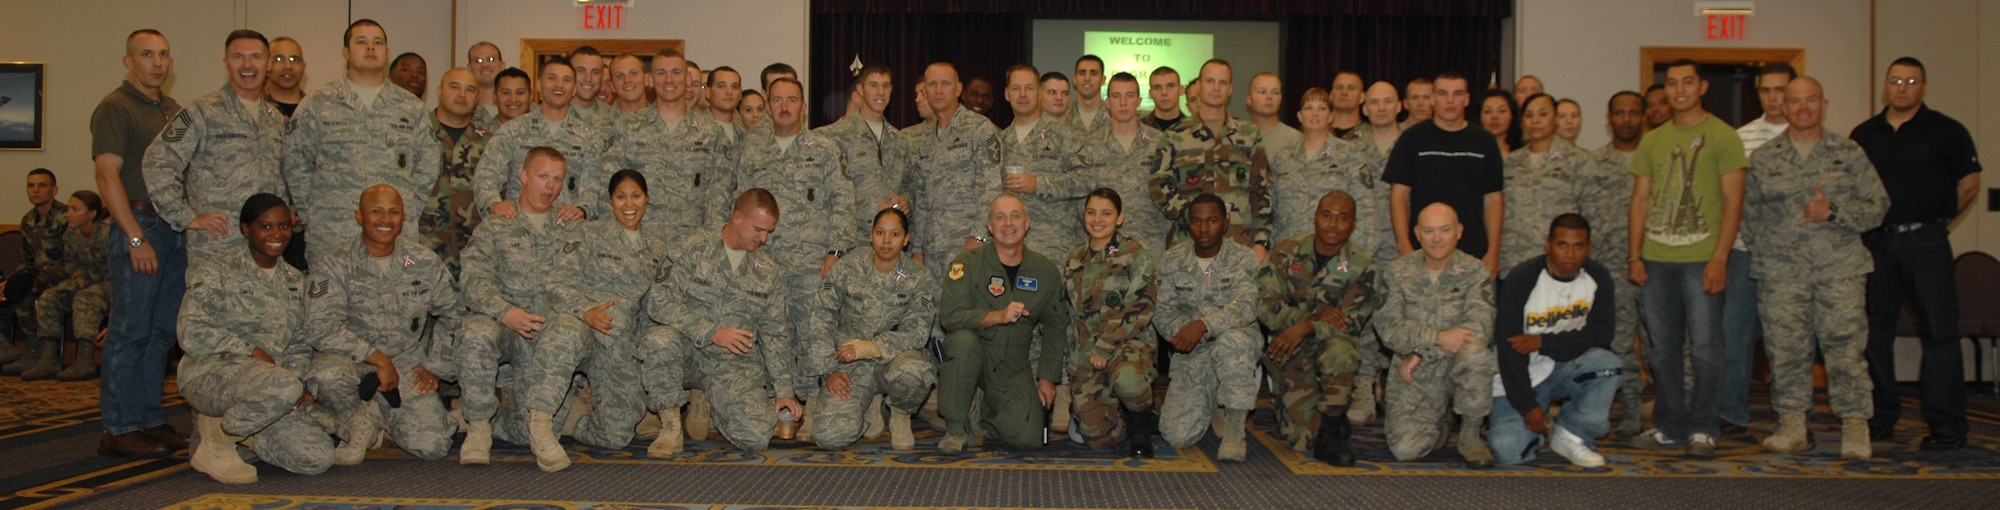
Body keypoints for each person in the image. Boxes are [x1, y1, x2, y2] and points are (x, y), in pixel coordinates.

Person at [1745, 76, 1887, 459]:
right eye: (1795, 101)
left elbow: (1878, 206)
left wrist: (1834, 211)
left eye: (1811, 100)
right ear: (1783, 107)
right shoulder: (1764, 159)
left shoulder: (1848, 152)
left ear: (1824, 105)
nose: (1802, 107)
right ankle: (1792, 424)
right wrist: (1774, 253)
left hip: (1838, 270)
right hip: (1781, 274)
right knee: (1785, 350)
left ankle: (1855, 426)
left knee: (1845, 349)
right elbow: (1749, 216)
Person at [180, 193, 360, 484]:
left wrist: (297, 381)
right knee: (282, 385)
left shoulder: (294, 281)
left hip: (273, 387)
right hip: (209, 374)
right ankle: (218, 443)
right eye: (265, 227)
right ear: (245, 228)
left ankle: (243, 432)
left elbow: (300, 343)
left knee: (317, 458)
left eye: (284, 226)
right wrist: (251, 351)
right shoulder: (217, 273)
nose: (276, 235)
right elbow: (190, 332)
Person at [1852, 57, 1980, 451]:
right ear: (1885, 86)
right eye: (1895, 81)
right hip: (1876, 244)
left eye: (1910, 81)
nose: (1902, 87)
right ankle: (1879, 418)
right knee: (1874, 334)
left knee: (1939, 333)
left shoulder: (1947, 130)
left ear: (1923, 86)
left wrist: (1934, 221)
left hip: (1926, 243)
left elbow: (1970, 183)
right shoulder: (1865, 133)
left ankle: (1946, 427)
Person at [1625, 59, 1747, 458]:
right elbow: (1640, 200)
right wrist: (1634, 256)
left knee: (1706, 348)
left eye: (1687, 82)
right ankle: (1670, 425)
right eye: (1672, 83)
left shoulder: (1723, 136)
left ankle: (1703, 428)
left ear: (1703, 87)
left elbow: (1733, 203)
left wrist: (1720, 259)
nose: (1679, 89)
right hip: (1655, 260)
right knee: (1662, 350)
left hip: (1701, 260)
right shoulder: (1653, 140)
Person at [519, 170, 672, 467]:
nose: (629, 204)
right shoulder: (587, 234)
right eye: (621, 197)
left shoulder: (657, 248)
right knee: (563, 334)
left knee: (616, 435)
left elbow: (657, 303)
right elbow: (556, 283)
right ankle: (540, 426)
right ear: (611, 201)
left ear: (647, 199)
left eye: (636, 196)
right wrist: (586, 311)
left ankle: (576, 420)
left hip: (619, 343)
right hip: (582, 327)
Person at [304, 185, 456, 465]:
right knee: (327, 375)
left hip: (405, 360)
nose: (385, 220)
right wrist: (376, 358)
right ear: (359, 216)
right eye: (376, 212)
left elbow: (454, 314)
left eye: (393, 212)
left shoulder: (421, 262)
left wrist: (437, 366)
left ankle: (379, 414)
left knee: (432, 445)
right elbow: (319, 326)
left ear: (403, 217)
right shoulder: (333, 263)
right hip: (351, 361)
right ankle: (356, 420)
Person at [93, 28, 189, 457]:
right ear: (128, 61)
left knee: (160, 333)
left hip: (173, 229)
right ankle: (119, 426)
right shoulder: (115, 108)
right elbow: (106, 175)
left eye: (163, 54)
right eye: (147, 54)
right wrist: (134, 237)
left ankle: (150, 418)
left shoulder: (173, 110)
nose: (157, 62)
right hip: (140, 224)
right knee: (129, 333)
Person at [648, 189, 803, 453]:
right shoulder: (691, 248)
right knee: (659, 341)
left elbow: (775, 333)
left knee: (756, 436)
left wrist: (784, 391)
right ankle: (670, 427)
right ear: (737, 217)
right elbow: (658, 301)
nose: (764, 239)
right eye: (758, 229)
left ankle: (708, 400)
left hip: (732, 362)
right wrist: (710, 332)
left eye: (769, 232)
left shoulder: (767, 272)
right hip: (687, 352)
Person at [456, 147, 580, 467]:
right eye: (542, 177)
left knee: (530, 434)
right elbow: (473, 281)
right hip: (508, 328)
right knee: (476, 332)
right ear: (523, 177)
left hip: (546, 339)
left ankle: (504, 411)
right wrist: (504, 312)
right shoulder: (497, 226)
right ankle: (479, 427)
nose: (549, 187)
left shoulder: (572, 230)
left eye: (557, 179)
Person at [281, 19, 440, 266]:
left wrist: (405, 210)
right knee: (330, 303)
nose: (370, 48)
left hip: (394, 237)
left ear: (387, 54)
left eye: (377, 43)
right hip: (333, 232)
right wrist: (314, 212)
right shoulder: (318, 103)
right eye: (361, 42)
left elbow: (428, 165)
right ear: (345, 52)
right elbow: (295, 161)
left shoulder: (411, 106)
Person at [935, 193, 1072, 454]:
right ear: (989, 226)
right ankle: (955, 427)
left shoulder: (1044, 271)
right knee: (962, 342)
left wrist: (1047, 377)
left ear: (1028, 223)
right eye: (1000, 217)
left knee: (1029, 438)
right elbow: (949, 316)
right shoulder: (966, 264)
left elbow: (1055, 326)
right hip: (972, 354)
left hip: (1011, 365)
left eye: (1015, 216)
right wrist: (995, 316)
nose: (1008, 224)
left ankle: (986, 409)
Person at [143, 29, 288, 268]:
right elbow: (158, 160)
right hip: (218, 243)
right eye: (238, 57)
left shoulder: (275, 119)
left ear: (269, 63)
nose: (247, 65)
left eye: (256, 57)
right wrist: (185, 216)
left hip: (265, 246)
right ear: (226, 63)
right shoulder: (201, 112)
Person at [1257, 191, 1380, 466]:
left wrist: (1308, 328)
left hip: (1329, 344)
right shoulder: (1287, 251)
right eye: (1326, 216)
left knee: (1342, 352)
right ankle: (1328, 417)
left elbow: (1351, 323)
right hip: (1290, 346)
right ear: (1315, 217)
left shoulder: (1363, 266)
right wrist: (1311, 317)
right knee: (1300, 443)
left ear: (1354, 223)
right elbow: (1265, 306)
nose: (1333, 224)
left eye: (1342, 218)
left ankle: (1330, 433)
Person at [1489, 213, 1621, 467]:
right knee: (1508, 450)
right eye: (1562, 245)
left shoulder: (1598, 277)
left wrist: (1543, 342)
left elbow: (1601, 336)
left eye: (1578, 246)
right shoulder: (1523, 278)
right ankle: (1535, 429)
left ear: (1588, 248)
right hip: (1522, 375)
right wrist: (1528, 405)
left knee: (1608, 365)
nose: (1570, 255)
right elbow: (1508, 350)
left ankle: (1573, 434)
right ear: (1548, 245)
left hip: (1566, 366)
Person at [806, 208, 939, 451]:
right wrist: (828, 372)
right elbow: (821, 318)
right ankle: (867, 405)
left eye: (895, 234)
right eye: (880, 233)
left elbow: (918, 332)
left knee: (915, 372)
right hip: (849, 366)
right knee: (829, 437)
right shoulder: (848, 267)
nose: (886, 241)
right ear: (870, 235)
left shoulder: (918, 277)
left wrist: (871, 348)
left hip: (893, 360)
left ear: (906, 239)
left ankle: (899, 415)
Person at [1376, 203, 1496, 468]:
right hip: (1415, 373)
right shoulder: (1397, 272)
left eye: (1445, 230)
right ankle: (1440, 423)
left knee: (1477, 356)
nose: (1437, 238)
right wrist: (1437, 337)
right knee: (1406, 451)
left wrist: (1421, 349)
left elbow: (1480, 329)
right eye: (1429, 231)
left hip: (1455, 365)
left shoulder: (1476, 271)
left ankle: (1471, 434)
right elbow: (1388, 328)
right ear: (1417, 233)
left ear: (1459, 231)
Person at [1153, 194, 1262, 461]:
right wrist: (1187, 332)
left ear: (1225, 223)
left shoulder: (1244, 258)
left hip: (1235, 342)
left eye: (1212, 221)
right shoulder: (1171, 260)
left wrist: (1203, 325)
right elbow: (1161, 311)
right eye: (1197, 222)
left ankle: (1235, 429)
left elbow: (1246, 307)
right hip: (1193, 350)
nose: (1204, 229)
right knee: (1177, 435)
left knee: (1233, 342)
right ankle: (1214, 400)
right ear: (1187, 225)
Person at [604, 49, 740, 242]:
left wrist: (708, 243)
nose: (669, 80)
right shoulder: (626, 127)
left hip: (692, 246)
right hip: (639, 244)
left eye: (676, 73)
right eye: (661, 73)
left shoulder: (711, 132)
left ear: (686, 78)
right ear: (650, 79)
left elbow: (719, 197)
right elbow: (609, 188)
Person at [1063, 189, 1160, 456]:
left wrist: (1106, 344)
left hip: (1129, 344)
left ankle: (1141, 423)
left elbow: (1140, 307)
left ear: (1120, 218)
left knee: (1129, 381)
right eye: (1091, 212)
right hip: (1088, 352)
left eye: (1106, 213)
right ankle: (1124, 416)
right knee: (1097, 439)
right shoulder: (1074, 258)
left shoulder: (1136, 253)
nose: (1097, 219)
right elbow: (1073, 315)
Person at [1148, 59, 1274, 263]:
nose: (1216, 88)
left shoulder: (1248, 134)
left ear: (1230, 89)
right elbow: (1158, 185)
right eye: (1210, 81)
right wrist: (1191, 214)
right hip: (1189, 244)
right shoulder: (1176, 135)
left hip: (1240, 243)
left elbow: (1262, 189)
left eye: (1222, 83)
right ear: (1198, 86)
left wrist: (1261, 241)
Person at [1384, 72, 1505, 277]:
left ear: (1466, 99)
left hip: (1473, 253)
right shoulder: (1412, 138)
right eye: (1442, 93)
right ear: (1432, 98)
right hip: (1422, 252)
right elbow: (1399, 195)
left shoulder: (1484, 142)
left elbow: (1493, 199)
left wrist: (1493, 251)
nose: (1450, 101)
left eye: (1457, 94)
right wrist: (1404, 247)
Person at [1579, 91, 1649, 437]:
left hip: (1657, 264)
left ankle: (1671, 411)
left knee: (1664, 346)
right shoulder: (1594, 163)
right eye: (1619, 113)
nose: (1626, 119)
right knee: (1620, 343)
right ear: (1609, 119)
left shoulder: (1660, 159)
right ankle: (1632, 410)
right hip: (1611, 268)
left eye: (1633, 113)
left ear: (1643, 116)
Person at [475, 57, 607, 224]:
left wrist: (582, 209)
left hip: (566, 233)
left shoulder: (588, 136)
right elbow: (486, 174)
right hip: (517, 229)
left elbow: (594, 186)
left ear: (574, 89)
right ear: (538, 85)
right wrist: (493, 204)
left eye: (566, 80)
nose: (559, 85)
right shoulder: (514, 130)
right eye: (552, 78)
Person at [903, 61, 1002, 277]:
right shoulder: (926, 139)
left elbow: (991, 188)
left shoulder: (979, 128)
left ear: (958, 89)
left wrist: (979, 237)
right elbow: (922, 199)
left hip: (968, 245)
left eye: (945, 84)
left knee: (967, 309)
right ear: (925, 91)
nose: (938, 91)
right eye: (932, 84)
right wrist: (918, 248)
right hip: (932, 250)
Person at [1273, 88, 1384, 256]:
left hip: (1335, 256)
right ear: (1300, 116)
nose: (1315, 113)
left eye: (1322, 108)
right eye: (1309, 108)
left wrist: (1354, 260)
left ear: (1331, 117)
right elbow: (1274, 212)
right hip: (1290, 255)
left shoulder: (1351, 155)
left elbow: (1366, 213)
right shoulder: (1283, 158)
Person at [998, 64, 1089, 258]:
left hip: (1053, 247)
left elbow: (1087, 179)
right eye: (1016, 89)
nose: (1022, 94)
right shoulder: (999, 140)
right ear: (1007, 94)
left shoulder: (1067, 135)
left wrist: (1038, 184)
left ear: (1039, 93)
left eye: (1029, 88)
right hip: (1009, 246)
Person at [22, 191, 111, 381]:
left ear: (92, 213)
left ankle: (85, 359)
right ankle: (49, 358)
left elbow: (119, 270)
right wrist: (78, 276)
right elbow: (71, 263)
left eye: (75, 209)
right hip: (86, 281)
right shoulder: (71, 234)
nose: (69, 214)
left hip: (112, 285)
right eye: (69, 208)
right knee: (49, 297)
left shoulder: (107, 233)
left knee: (85, 298)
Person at [1498, 93, 1588, 278]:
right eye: (1529, 115)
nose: (1535, 121)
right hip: (1513, 262)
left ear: (1555, 118)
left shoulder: (1578, 161)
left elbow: (1591, 215)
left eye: (1542, 114)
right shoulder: (1511, 162)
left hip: (1559, 264)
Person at [1077, 73, 1170, 248]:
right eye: (1116, 96)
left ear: (1139, 101)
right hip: (1105, 244)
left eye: (1130, 96)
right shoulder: (1091, 145)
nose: (1123, 103)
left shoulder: (1159, 142)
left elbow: (1169, 193)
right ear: (1108, 102)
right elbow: (1081, 196)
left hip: (1150, 242)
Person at [821, 64, 911, 240]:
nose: (880, 92)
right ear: (860, 89)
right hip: (853, 241)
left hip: (891, 243)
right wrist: (873, 208)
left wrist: (907, 200)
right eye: (873, 85)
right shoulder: (836, 136)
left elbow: (910, 184)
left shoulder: (900, 140)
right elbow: (830, 191)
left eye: (886, 86)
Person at [417, 68, 492, 280]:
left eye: (470, 90)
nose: (462, 95)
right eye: (455, 87)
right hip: (422, 248)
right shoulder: (416, 133)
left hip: (472, 254)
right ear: (439, 91)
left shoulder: (489, 143)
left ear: (477, 98)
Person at [1, 169, 67, 371]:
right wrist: (9, 281)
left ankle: (42, 353)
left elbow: (72, 259)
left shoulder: (66, 217)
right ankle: (21, 350)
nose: (35, 190)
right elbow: (26, 260)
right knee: (14, 287)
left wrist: (23, 280)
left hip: (62, 273)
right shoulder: (28, 220)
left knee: (25, 288)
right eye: (31, 186)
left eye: (42, 185)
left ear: (54, 190)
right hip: (34, 276)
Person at [1246, 72, 1302, 153]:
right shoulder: (1237, 137)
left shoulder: (1295, 140)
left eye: (1275, 92)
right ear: (1249, 100)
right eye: (1262, 92)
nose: (1269, 97)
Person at [1357, 81, 1404, 161]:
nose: (1381, 108)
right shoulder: (1352, 146)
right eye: (1374, 102)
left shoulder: (1413, 142)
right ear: (1365, 110)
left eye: (1388, 101)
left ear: (1398, 107)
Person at [567, 47, 612, 127]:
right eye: (581, 71)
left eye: (595, 72)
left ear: (601, 76)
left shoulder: (613, 117)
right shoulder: (553, 113)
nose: (588, 79)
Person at [467, 41, 505, 126]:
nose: (485, 65)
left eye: (491, 59)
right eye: (478, 61)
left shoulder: (523, 108)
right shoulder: (462, 109)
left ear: (502, 65)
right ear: (469, 68)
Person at [265, 37, 306, 117]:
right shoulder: (255, 109)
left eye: (294, 59)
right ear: (266, 66)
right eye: (279, 59)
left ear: (303, 67)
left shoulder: (317, 108)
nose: (288, 66)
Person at [1069, 55, 1109, 132]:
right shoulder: (1062, 116)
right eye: (1082, 73)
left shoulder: (1115, 118)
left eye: (1094, 73)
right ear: (1074, 79)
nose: (1087, 78)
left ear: (1103, 80)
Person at [705, 66, 745, 141]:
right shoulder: (694, 130)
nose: (729, 92)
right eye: (721, 86)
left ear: (740, 94)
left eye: (735, 87)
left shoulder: (743, 134)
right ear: (708, 92)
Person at [1479, 89, 1522, 156]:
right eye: (1487, 111)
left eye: (1502, 111)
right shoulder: (1471, 151)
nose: (1494, 116)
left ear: (1512, 115)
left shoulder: (1523, 152)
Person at [1143, 66, 1186, 132]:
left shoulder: (1193, 129)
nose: (1164, 92)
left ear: (1181, 90)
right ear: (1150, 94)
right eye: (1157, 87)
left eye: (1170, 86)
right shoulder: (1138, 129)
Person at [1328, 72, 1365, 139]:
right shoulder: (1316, 133)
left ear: (1362, 97)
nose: (1344, 93)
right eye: (1339, 87)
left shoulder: (1373, 135)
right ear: (1331, 96)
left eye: (1351, 88)